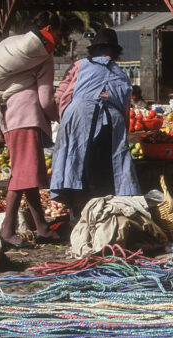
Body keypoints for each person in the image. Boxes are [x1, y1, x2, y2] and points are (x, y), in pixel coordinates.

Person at [0, 11, 66, 248]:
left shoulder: (14, 47)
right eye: (58, 35)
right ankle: (8, 230)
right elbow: (45, 99)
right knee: (21, 175)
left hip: (10, 117)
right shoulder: (43, 57)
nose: (58, 41)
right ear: (48, 30)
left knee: (26, 173)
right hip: (26, 118)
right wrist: (60, 116)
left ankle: (41, 228)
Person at [50, 28, 140, 214]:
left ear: (94, 49)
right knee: (104, 169)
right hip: (110, 123)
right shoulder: (121, 75)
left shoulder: (79, 65)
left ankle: (78, 211)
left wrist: (65, 118)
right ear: (115, 52)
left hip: (79, 117)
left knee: (77, 164)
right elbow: (125, 110)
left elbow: (60, 96)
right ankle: (102, 213)